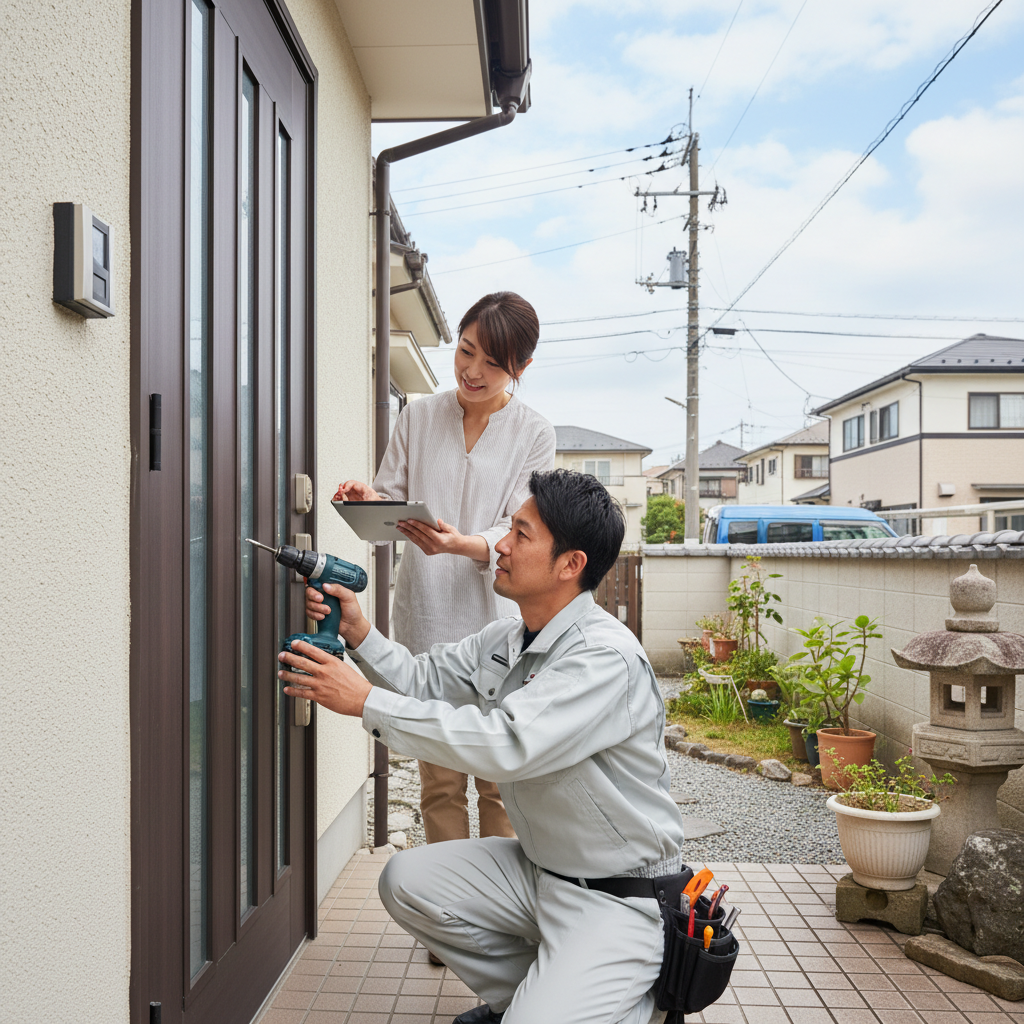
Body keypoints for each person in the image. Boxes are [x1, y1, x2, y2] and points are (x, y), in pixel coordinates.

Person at [284, 469, 686, 1024]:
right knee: (407, 882)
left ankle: (635, 1005)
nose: (500, 545)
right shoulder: (507, 637)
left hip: (617, 896)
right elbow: (422, 678)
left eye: (521, 534)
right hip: (541, 872)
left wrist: (364, 702)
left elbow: (508, 744)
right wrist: (358, 633)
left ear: (570, 565)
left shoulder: (603, 658)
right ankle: (523, 1001)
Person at [325, 291, 555, 853]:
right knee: (439, 784)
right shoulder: (420, 415)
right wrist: (369, 500)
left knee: (500, 783)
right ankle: (447, 901)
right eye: (465, 351)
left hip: (499, 622)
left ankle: (498, 901)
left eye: (492, 363)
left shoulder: (534, 433)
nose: (472, 371)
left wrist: (460, 544)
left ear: (521, 367)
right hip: (426, 614)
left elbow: (519, 530)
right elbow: (392, 508)